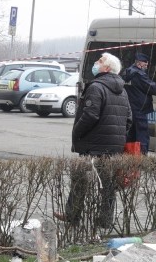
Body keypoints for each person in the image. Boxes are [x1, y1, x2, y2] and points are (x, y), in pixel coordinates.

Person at [54, 52, 132, 227]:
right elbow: (128, 119)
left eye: (100, 61)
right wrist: (117, 137)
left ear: (107, 68)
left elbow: (90, 115)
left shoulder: (96, 87)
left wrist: (77, 132)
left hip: (93, 146)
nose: (96, 62)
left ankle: (72, 215)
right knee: (108, 185)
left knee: (80, 179)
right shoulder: (123, 90)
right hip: (113, 148)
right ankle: (105, 221)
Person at [122, 52, 156, 154]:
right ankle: (142, 158)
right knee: (142, 136)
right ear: (139, 64)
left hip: (130, 109)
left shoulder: (127, 72)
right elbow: (153, 88)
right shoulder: (139, 75)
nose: (146, 67)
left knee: (131, 135)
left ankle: (129, 158)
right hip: (139, 109)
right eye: (145, 65)